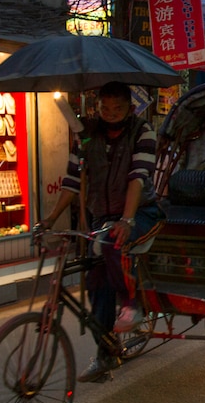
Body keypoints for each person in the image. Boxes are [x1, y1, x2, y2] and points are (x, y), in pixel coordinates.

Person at [42, 81, 165, 382]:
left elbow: (138, 176)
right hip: (103, 218)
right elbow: (72, 180)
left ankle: (131, 305)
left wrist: (127, 220)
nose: (110, 113)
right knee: (96, 282)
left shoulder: (143, 132)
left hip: (141, 214)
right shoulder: (86, 136)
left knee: (112, 242)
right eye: (104, 108)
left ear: (130, 108)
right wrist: (50, 219)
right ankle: (105, 353)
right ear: (97, 107)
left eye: (118, 108)